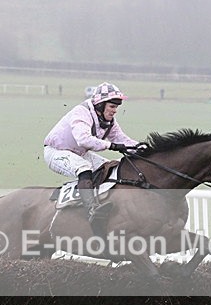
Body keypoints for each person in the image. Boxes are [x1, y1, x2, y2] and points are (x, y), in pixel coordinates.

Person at [43, 82, 140, 223]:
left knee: (108, 167)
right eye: (112, 106)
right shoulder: (81, 112)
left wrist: (142, 148)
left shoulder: (109, 120)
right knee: (84, 168)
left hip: (79, 153)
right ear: (100, 105)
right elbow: (84, 140)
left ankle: (100, 200)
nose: (115, 111)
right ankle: (91, 210)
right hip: (56, 152)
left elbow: (121, 139)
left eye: (116, 107)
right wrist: (111, 145)